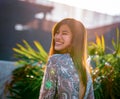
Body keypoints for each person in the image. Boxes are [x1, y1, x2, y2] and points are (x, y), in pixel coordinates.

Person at [39, 18, 94, 99]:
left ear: (76, 38)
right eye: (57, 33)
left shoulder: (55, 61)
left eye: (64, 33)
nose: (57, 37)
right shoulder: (86, 71)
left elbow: (47, 91)